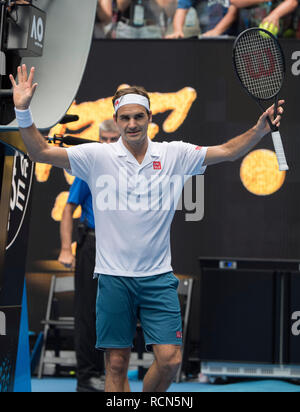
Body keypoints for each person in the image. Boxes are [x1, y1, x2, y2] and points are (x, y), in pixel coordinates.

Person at [10, 65, 284, 392]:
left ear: (149, 118)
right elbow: (40, 151)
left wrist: (258, 130)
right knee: (115, 364)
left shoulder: (175, 154)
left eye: (138, 117)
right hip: (113, 278)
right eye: (125, 118)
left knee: (169, 360)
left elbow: (226, 152)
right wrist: (22, 110)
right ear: (116, 120)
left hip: (157, 278)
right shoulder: (96, 156)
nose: (132, 124)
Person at [58, 120, 120, 393]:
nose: (107, 144)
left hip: (119, 246)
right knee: (87, 313)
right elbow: (68, 209)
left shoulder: (130, 168)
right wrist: (64, 248)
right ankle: (87, 378)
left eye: (112, 139)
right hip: (92, 245)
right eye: (103, 139)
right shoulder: (91, 170)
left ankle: (109, 372)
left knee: (114, 313)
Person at [167, 0, 238, 38]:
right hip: (205, 39)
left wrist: (216, 31)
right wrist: (178, 31)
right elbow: (181, 10)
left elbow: (232, 13)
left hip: (232, 40)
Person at [231, 0, 298, 37]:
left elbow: (292, 2)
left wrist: (275, 15)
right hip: (248, 38)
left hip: (283, 39)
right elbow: (235, 1)